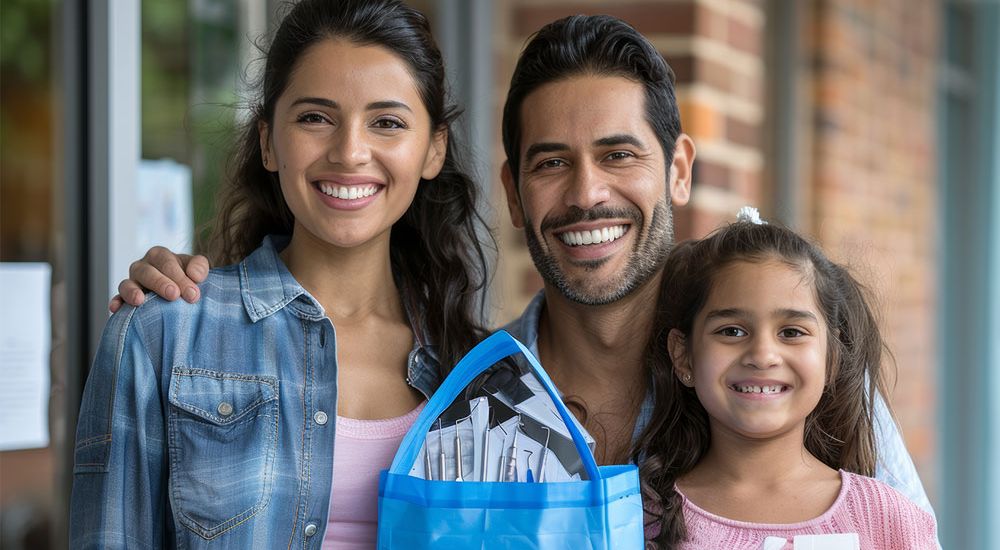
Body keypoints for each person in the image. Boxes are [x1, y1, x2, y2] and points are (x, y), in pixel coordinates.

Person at [110, 12, 938, 544]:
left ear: (680, 169)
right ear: (512, 192)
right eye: (551, 163)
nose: (586, 194)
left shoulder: (772, 371)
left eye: (619, 154)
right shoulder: (467, 394)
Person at [70, 0, 491, 548]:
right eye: (315, 118)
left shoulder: (475, 367)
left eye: (387, 123)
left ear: (433, 150)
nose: (350, 152)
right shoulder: (163, 331)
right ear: (269, 142)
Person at [644, 212, 937, 548]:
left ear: (832, 358)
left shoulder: (888, 518)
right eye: (732, 331)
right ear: (683, 355)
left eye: (792, 332)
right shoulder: (643, 519)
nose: (763, 355)